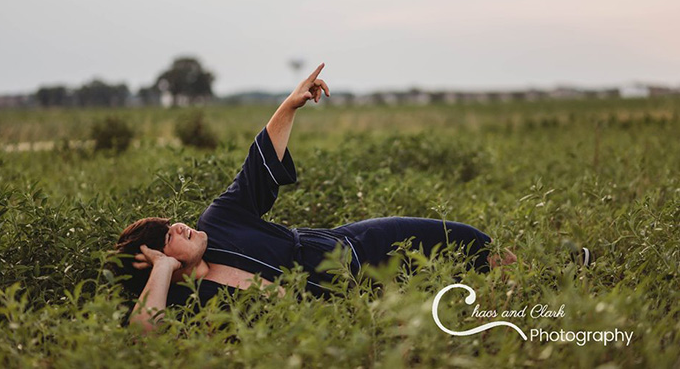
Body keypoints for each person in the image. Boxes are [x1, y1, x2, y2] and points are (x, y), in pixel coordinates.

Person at [114, 63, 515, 333]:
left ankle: (556, 271)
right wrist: (164, 271)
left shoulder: (217, 222)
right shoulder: (189, 303)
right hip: (351, 316)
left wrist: (290, 105)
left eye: (170, 223)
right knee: (441, 309)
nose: (177, 226)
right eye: (166, 236)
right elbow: (143, 337)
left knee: (467, 241)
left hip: (357, 248)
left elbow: (258, 165)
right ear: (152, 260)